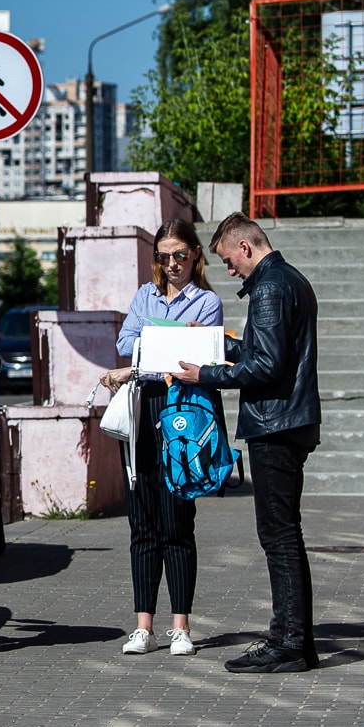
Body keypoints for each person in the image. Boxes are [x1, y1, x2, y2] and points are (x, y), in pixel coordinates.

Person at [175, 212, 321, 674]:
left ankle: (288, 642)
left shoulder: (271, 286)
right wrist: (219, 340)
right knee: (284, 534)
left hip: (276, 424)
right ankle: (294, 640)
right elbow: (263, 351)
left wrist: (206, 374)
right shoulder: (287, 279)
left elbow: (268, 366)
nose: (230, 271)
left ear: (244, 247)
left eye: (228, 262)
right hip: (287, 421)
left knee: (278, 536)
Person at [99, 219, 222, 659]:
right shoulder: (144, 295)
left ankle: (181, 627)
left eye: (180, 256)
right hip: (144, 411)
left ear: (195, 256)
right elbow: (125, 340)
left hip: (182, 415)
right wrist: (161, 349)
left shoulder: (207, 302)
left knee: (177, 523)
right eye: (163, 256)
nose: (172, 264)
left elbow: (196, 360)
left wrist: (145, 357)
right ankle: (142, 627)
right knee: (142, 523)